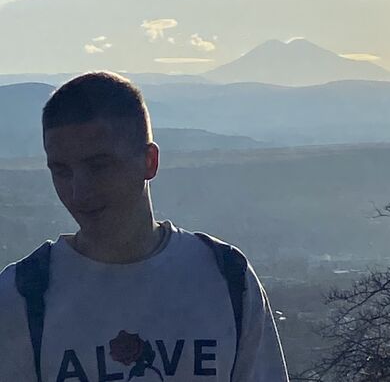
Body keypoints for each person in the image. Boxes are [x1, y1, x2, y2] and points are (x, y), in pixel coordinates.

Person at [0, 71, 289, 381]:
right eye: (61, 171)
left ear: (149, 161)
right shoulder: (22, 296)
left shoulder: (226, 278)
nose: (78, 191)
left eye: (99, 166)